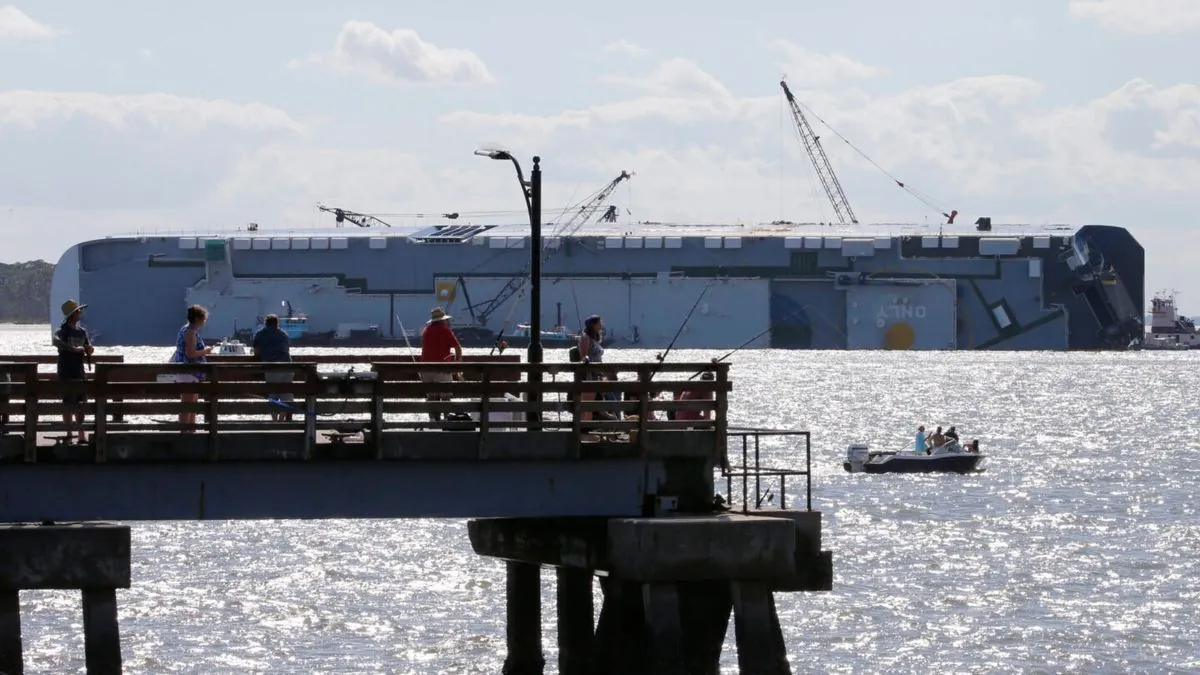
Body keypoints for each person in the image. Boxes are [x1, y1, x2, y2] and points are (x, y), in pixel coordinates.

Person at [53, 299, 94, 444]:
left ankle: (81, 432)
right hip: (65, 370)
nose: (80, 312)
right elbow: (55, 340)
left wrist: (89, 349)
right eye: (78, 311)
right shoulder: (62, 331)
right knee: (67, 402)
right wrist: (71, 349)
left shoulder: (82, 331)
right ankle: (69, 432)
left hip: (79, 370)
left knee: (81, 402)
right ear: (72, 314)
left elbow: (89, 346)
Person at [171, 305, 214, 432]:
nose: (204, 321)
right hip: (188, 371)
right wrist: (206, 351)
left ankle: (191, 430)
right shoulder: (190, 332)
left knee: (193, 401)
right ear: (197, 318)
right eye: (203, 318)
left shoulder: (186, 329)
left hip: (191, 372)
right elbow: (190, 353)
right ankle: (185, 431)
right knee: (188, 403)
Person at [420, 307, 462, 422]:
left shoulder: (426, 331)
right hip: (442, 369)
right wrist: (457, 365)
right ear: (442, 320)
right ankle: (446, 419)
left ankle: (433, 420)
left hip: (426, 369)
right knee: (445, 396)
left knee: (432, 397)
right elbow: (458, 348)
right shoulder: (445, 330)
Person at [252, 314, 293, 422]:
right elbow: (287, 349)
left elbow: (256, 352)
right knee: (285, 395)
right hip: (287, 366)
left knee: (272, 394)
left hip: (272, 366)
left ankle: (275, 421)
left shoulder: (260, 334)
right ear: (277, 323)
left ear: (265, 323)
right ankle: (282, 420)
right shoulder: (283, 334)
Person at [577, 314, 609, 424]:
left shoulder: (595, 339)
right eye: (599, 323)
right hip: (590, 374)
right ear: (593, 325)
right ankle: (583, 430)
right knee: (587, 405)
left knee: (596, 406)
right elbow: (583, 355)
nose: (601, 325)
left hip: (598, 374)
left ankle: (589, 428)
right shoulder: (585, 337)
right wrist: (586, 360)